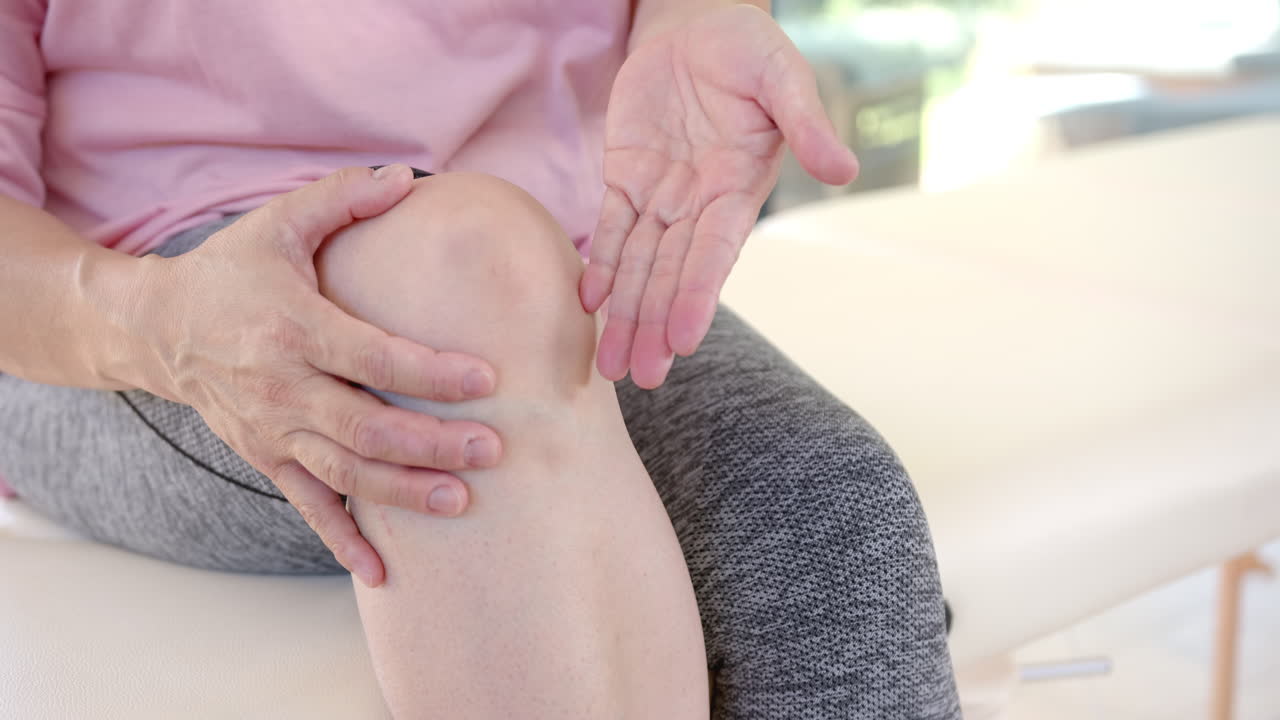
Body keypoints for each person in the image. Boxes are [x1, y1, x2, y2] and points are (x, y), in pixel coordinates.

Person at [0, 1, 960, 717]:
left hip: (551, 270)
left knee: (825, 509)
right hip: (131, 299)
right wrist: (150, 322)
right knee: (463, 278)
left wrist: (693, 13)